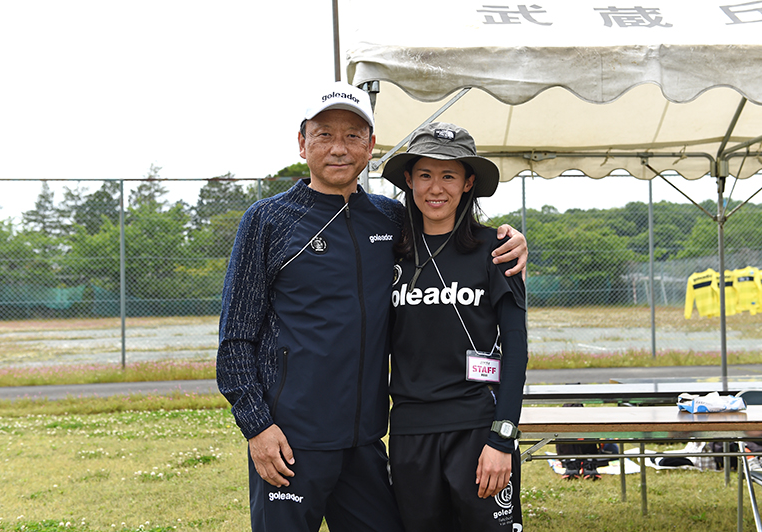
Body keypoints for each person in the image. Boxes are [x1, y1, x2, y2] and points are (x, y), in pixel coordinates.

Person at [216, 82, 528, 532]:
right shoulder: (267, 220)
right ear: (302, 143)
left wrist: (509, 238)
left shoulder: (390, 219)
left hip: (366, 441)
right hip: (290, 440)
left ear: (371, 146)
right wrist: (256, 427)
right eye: (324, 135)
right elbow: (235, 339)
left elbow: (452, 224)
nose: (338, 148)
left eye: (353, 136)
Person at [383, 122, 527, 531]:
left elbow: (516, 350)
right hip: (411, 433)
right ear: (409, 180)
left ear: (468, 183)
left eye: (449, 175)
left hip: (478, 429)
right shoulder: (390, 254)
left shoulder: (498, 250)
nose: (436, 188)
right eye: (425, 174)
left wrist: (502, 438)